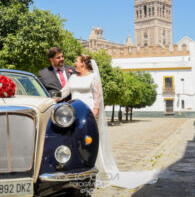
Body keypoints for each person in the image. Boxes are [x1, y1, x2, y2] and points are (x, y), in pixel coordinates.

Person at [60, 55, 159, 189]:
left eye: (77, 61)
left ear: (83, 63)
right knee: (75, 141)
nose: (74, 63)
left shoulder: (93, 77)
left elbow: (97, 97)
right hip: (74, 113)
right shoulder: (72, 78)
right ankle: (77, 169)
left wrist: (94, 114)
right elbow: (63, 93)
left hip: (88, 113)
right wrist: (50, 99)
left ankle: (95, 170)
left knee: (89, 141)